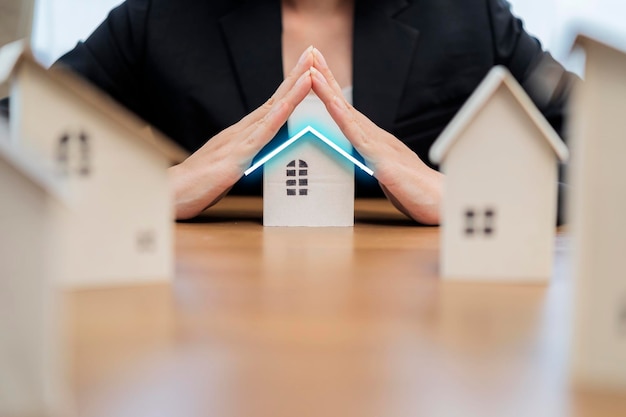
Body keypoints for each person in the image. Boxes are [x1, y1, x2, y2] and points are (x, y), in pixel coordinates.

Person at [0, 0, 573, 223]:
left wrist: (469, 203)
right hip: (211, 323)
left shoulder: (470, 18)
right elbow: (14, 127)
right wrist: (152, 192)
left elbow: (608, 149)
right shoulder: (163, 17)